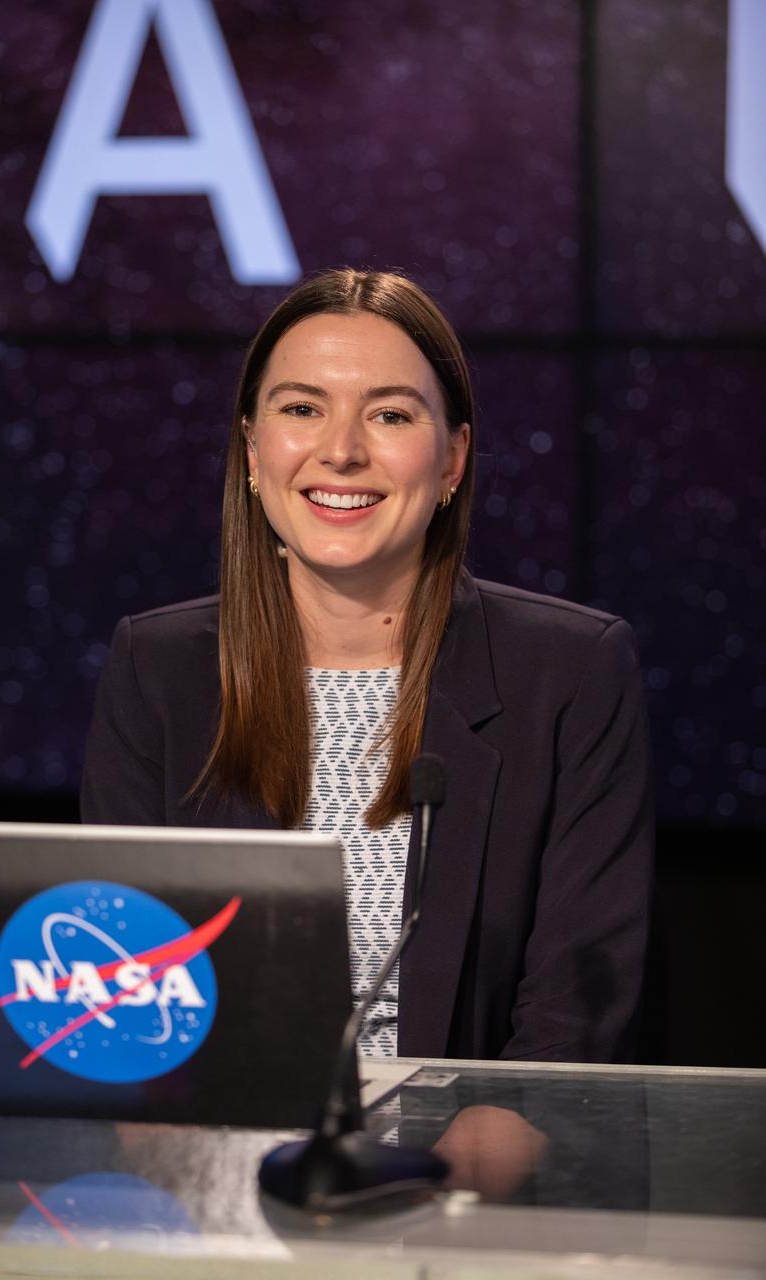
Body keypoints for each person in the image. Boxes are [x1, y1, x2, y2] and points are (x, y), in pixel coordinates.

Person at [82, 268, 653, 1065]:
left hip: (463, 1167)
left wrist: (429, 1179)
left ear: (452, 459)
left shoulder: (570, 672)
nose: (341, 451)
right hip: (221, 1160)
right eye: (301, 408)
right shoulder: (157, 670)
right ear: (252, 448)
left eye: (389, 414)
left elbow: (571, 1022)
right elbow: (118, 998)